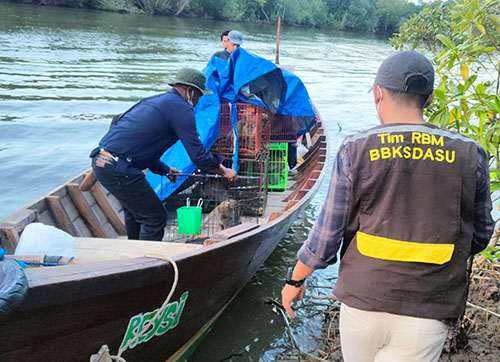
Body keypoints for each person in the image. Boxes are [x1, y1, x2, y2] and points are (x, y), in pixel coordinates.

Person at [281, 50, 494, 362]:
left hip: (363, 302)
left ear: (378, 93)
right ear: (430, 99)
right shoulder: (469, 153)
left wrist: (295, 279)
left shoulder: (355, 149)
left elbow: (326, 237)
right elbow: (480, 235)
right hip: (428, 308)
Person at [90, 68, 237, 241]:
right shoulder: (182, 108)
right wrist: (223, 171)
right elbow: (198, 155)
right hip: (120, 167)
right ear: (190, 91)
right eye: (199, 96)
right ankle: (146, 264)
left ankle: (134, 256)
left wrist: (165, 170)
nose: (198, 102)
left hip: (102, 160)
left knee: (135, 214)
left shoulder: (153, 101)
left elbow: (141, 146)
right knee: (155, 217)